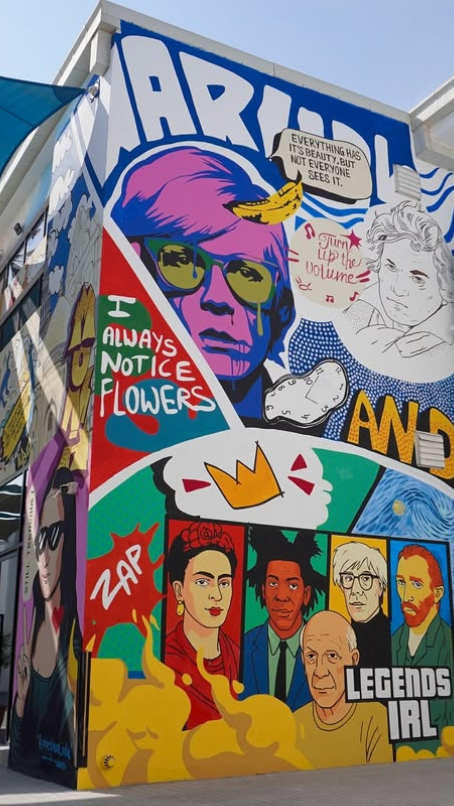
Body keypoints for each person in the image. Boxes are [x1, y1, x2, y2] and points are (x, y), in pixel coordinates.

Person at [112, 146, 295, 424]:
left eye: (249, 275)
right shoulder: (117, 425)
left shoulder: (311, 434)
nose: (218, 299)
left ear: (281, 309)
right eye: (181, 261)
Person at [10, 436, 83, 786]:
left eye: (55, 536)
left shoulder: (75, 637)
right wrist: (22, 697)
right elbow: (21, 748)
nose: (44, 555)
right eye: (40, 540)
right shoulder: (30, 629)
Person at [344, 201, 454, 360]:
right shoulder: (358, 313)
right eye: (391, 267)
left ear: (444, 287)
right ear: (379, 263)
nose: (398, 289)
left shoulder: (445, 345)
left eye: (417, 279)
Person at [163, 522, 239, 730]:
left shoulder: (237, 656)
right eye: (203, 582)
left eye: (224, 583)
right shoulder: (165, 661)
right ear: (179, 591)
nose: (217, 595)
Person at [294, 610, 392, 767]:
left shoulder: (377, 720)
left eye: (332, 656)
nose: (320, 671)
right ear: (303, 660)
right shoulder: (294, 724)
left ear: (353, 660)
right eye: (311, 656)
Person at [242, 528, 325, 710]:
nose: (281, 596)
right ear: (263, 591)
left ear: (306, 594)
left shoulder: (326, 651)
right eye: (273, 583)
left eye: (293, 585)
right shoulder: (243, 646)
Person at [391, 544, 454, 748]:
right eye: (401, 583)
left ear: (437, 593)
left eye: (416, 584)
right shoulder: (394, 642)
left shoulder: (449, 644)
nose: (405, 596)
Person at [331, 541, 390, 668]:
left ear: (380, 586)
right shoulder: (338, 639)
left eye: (366, 578)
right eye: (348, 578)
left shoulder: (393, 637)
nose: (355, 590)